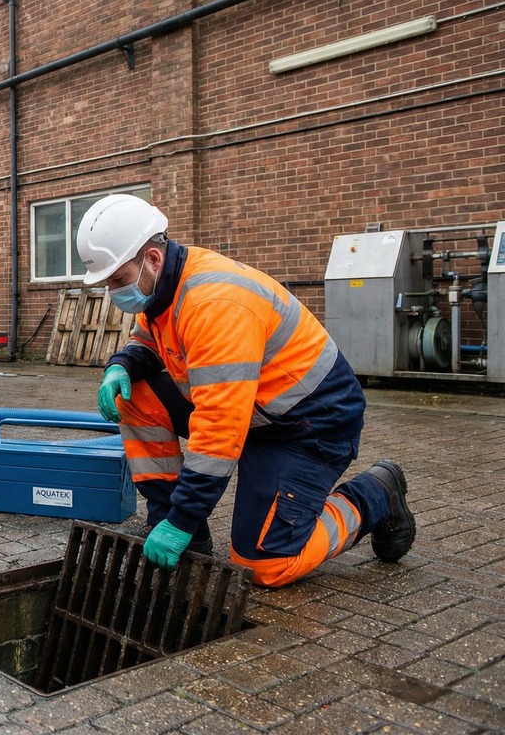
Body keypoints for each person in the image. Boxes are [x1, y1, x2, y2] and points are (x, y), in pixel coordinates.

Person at [76, 193, 416, 588]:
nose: (114, 293)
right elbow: (152, 342)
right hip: (256, 411)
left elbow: (219, 427)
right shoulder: (164, 286)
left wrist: (184, 518)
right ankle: (171, 520)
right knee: (134, 393)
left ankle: (376, 494)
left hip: (309, 424)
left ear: (152, 258)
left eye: (118, 281)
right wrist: (121, 365)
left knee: (264, 565)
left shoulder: (215, 303)